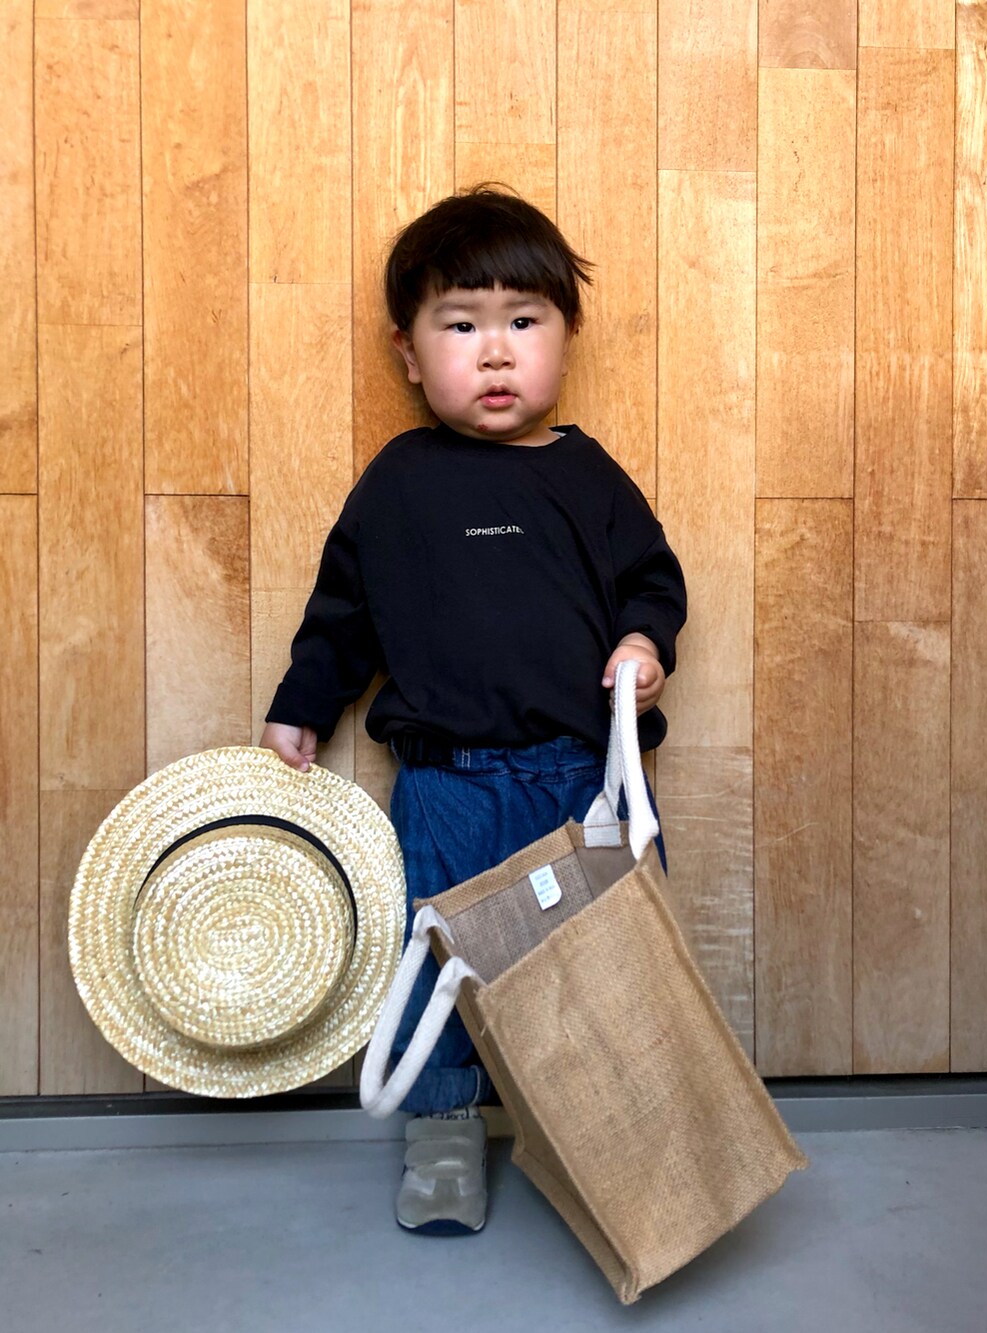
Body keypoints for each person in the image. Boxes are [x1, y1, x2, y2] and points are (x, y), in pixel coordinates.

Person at [260, 185, 686, 1236]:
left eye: (522, 323)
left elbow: (653, 579)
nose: (494, 355)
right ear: (408, 354)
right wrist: (303, 702)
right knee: (435, 964)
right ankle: (443, 1134)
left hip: (584, 779)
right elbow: (342, 612)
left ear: (564, 339)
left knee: (610, 962)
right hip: (446, 786)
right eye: (461, 326)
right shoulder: (397, 484)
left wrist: (644, 643)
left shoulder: (588, 477)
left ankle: (612, 1135)